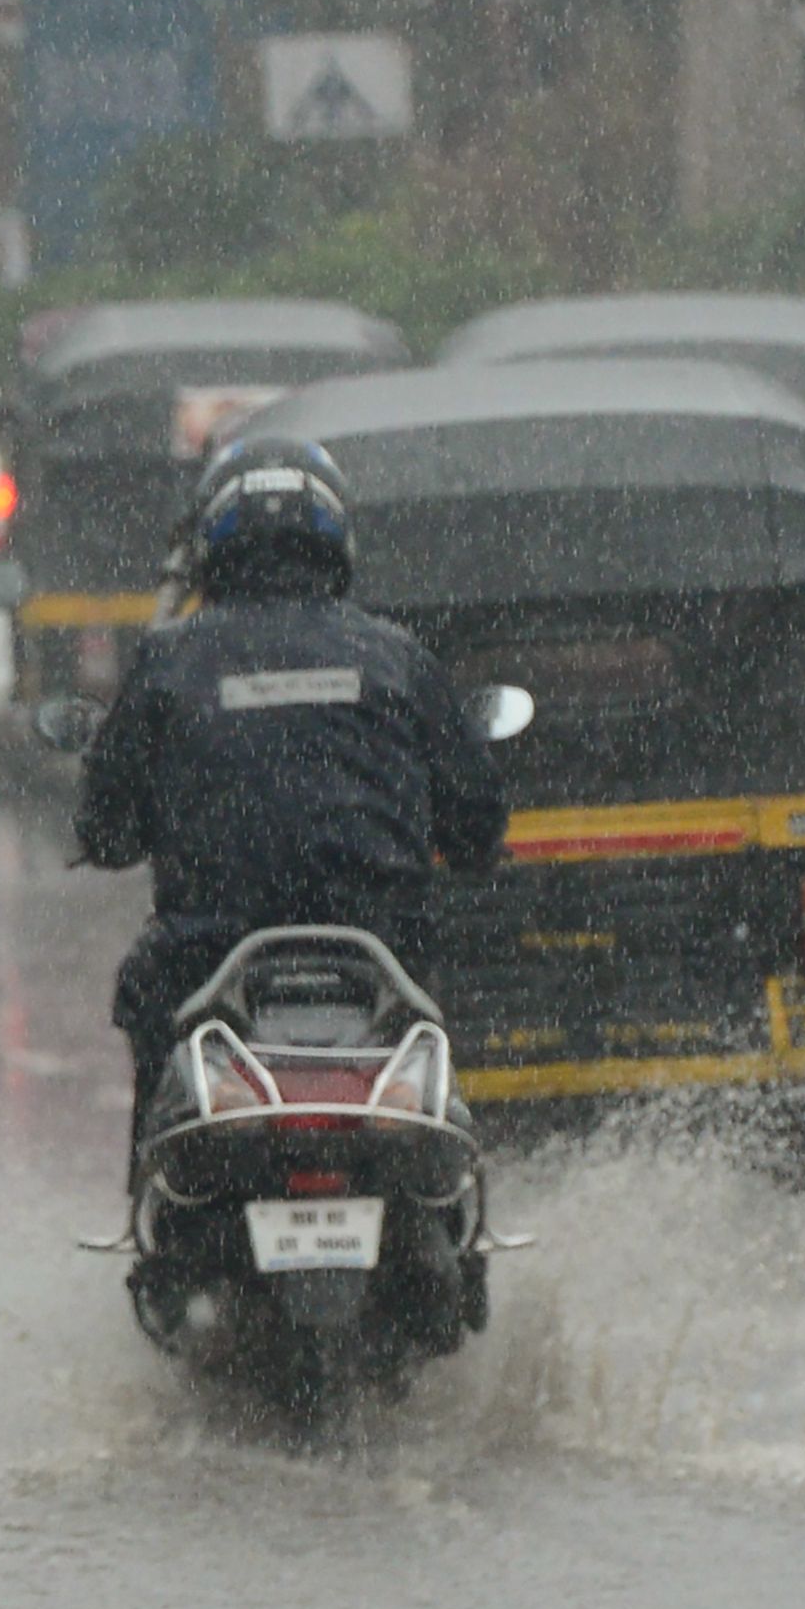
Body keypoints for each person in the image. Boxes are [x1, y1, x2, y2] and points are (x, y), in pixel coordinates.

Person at [75, 437, 507, 1174]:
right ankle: (450, 1193)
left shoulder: (170, 659)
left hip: (206, 950)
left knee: (147, 1001)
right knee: (435, 1021)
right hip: (379, 942)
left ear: (213, 544)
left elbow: (106, 832)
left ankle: (154, 1191)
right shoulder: (396, 655)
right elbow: (477, 827)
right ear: (336, 539)